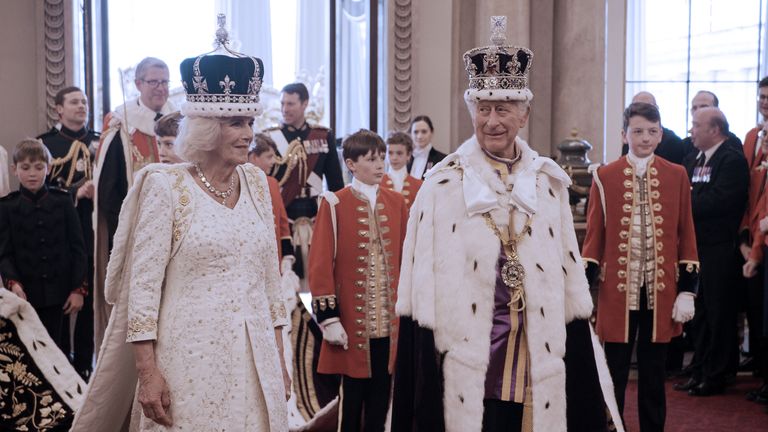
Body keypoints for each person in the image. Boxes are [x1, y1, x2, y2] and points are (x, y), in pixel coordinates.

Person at [391, 17, 624, 432]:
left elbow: (571, 284)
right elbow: (417, 294)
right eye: (483, 109)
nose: (492, 121)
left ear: (525, 114)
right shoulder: (442, 185)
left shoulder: (549, 183)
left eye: (503, 109)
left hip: (536, 349)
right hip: (468, 356)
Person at [71, 43, 290, 431]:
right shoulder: (165, 186)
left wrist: (279, 360)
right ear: (206, 128)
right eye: (236, 123)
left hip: (256, 365)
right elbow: (142, 288)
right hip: (189, 361)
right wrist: (147, 372)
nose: (248, 135)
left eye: (250, 123)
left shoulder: (257, 182)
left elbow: (270, 283)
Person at [583, 102, 699, 431]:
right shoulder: (604, 176)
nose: (645, 138)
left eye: (651, 132)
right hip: (616, 293)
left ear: (661, 134)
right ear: (624, 135)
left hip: (661, 293)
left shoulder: (676, 175)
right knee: (614, 373)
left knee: (653, 375)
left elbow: (687, 235)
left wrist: (688, 291)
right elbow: (594, 239)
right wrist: (583, 291)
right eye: (637, 131)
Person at [308, 129, 408, 431]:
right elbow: (320, 263)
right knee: (351, 400)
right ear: (351, 165)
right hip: (351, 322)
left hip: (388, 324)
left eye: (382, 158)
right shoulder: (335, 203)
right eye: (372, 159)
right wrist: (329, 318)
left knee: (382, 397)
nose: (381, 165)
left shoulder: (396, 202)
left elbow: (404, 256)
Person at [93, 56, 176, 352]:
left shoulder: (180, 121)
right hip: (135, 233)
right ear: (138, 84)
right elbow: (109, 191)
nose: (161, 88)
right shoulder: (123, 124)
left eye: (165, 82)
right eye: (154, 82)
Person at [676, 107, 749, 396]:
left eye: (696, 125)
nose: (691, 130)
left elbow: (720, 201)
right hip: (696, 247)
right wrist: (692, 199)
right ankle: (700, 368)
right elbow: (684, 192)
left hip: (720, 248)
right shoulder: (694, 158)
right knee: (701, 311)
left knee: (720, 312)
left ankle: (717, 374)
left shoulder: (731, 161)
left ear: (714, 130)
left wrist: (690, 202)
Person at [37, 86, 99, 380]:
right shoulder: (45, 143)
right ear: (59, 109)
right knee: (61, 298)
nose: (81, 106)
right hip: (58, 233)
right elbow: (38, 187)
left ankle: (86, 363)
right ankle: (60, 367)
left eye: (84, 102)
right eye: (74, 102)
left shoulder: (102, 141)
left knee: (91, 303)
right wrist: (76, 191)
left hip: (95, 231)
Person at [0, 139, 87, 349]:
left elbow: (78, 248)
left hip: (61, 295)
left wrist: (78, 289)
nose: (32, 174)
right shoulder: (7, 207)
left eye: (39, 168)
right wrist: (14, 283)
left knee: (61, 351)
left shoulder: (63, 201)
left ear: (47, 169)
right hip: (25, 295)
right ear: (14, 169)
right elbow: (4, 253)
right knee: (30, 352)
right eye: (25, 168)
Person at [264, 82, 345, 284]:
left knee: (318, 274)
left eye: (291, 104)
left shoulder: (323, 136)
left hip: (315, 214)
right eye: (283, 103)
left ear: (304, 103)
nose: (285, 109)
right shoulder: (271, 138)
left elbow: (336, 184)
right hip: (284, 213)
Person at [740, 77, 768, 404]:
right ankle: (760, 371)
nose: (765, 101)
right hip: (750, 234)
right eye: (761, 96)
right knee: (755, 309)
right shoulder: (751, 137)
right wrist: (743, 240)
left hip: (764, 236)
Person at [248, 133, 295, 265]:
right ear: (254, 157)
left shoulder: (272, 183)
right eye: (269, 157)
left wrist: (287, 257)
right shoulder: (238, 182)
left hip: (274, 258)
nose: (273, 161)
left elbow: (282, 223)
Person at [620, 91, 686, 164]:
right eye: (637, 108)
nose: (642, 112)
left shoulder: (673, 142)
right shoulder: (630, 140)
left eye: (647, 108)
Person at [679, 91, 743, 158]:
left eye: (704, 107)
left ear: (716, 110)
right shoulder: (685, 144)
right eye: (694, 108)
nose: (697, 111)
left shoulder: (731, 142)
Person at [382, 131, 422, 209]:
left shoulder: (419, 185)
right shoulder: (377, 183)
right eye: (390, 153)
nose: (394, 158)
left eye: (399, 153)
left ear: (409, 155)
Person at [408, 114, 447, 179]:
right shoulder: (405, 160)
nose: (419, 136)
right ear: (411, 134)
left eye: (424, 132)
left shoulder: (443, 160)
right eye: (416, 132)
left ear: (432, 132)